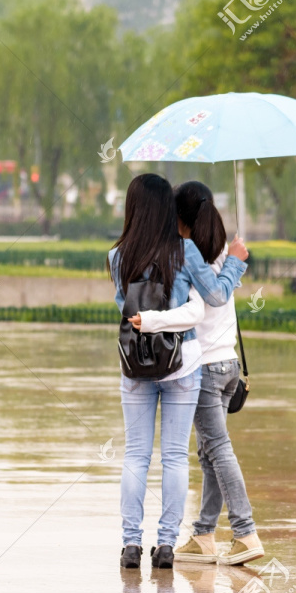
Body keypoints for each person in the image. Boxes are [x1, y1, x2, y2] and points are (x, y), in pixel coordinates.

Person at [109, 174, 249, 570]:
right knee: (174, 456)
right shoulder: (184, 251)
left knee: (136, 456)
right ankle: (167, 545)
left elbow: (127, 305)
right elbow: (217, 295)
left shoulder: (116, 256)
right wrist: (235, 263)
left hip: (135, 362)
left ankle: (131, 545)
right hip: (181, 365)